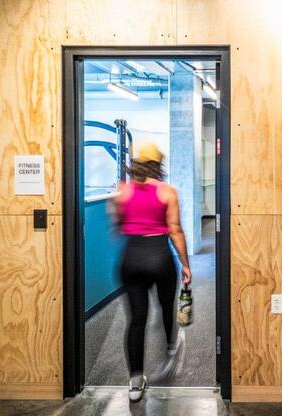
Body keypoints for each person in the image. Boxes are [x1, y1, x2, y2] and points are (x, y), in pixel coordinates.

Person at [111, 142, 192, 402]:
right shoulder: (167, 191)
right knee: (166, 305)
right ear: (159, 165)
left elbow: (118, 225)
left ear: (136, 163)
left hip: (131, 258)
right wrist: (186, 265)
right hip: (159, 256)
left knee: (136, 319)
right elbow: (175, 231)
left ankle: (135, 381)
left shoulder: (121, 191)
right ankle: (171, 346)